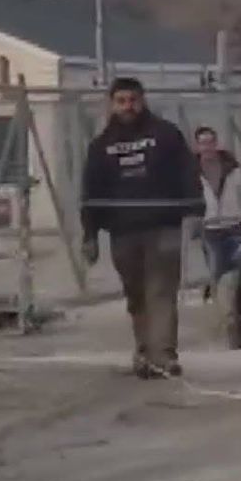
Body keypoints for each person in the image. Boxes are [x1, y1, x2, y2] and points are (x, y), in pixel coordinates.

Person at [80, 77, 203, 379]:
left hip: (164, 226)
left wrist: (196, 211)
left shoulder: (165, 135)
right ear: (112, 104)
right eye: (121, 101)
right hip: (123, 232)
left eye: (133, 100)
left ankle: (164, 355)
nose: (128, 107)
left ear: (143, 100)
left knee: (161, 291)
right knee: (136, 295)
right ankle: (145, 352)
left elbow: (188, 172)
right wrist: (90, 234)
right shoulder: (101, 147)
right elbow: (91, 191)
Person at [193, 126, 241, 301]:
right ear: (197, 146)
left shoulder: (232, 167)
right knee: (216, 267)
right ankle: (219, 303)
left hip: (235, 224)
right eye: (203, 143)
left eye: (210, 142)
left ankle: (238, 301)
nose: (207, 147)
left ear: (216, 143)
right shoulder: (192, 171)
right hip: (210, 227)